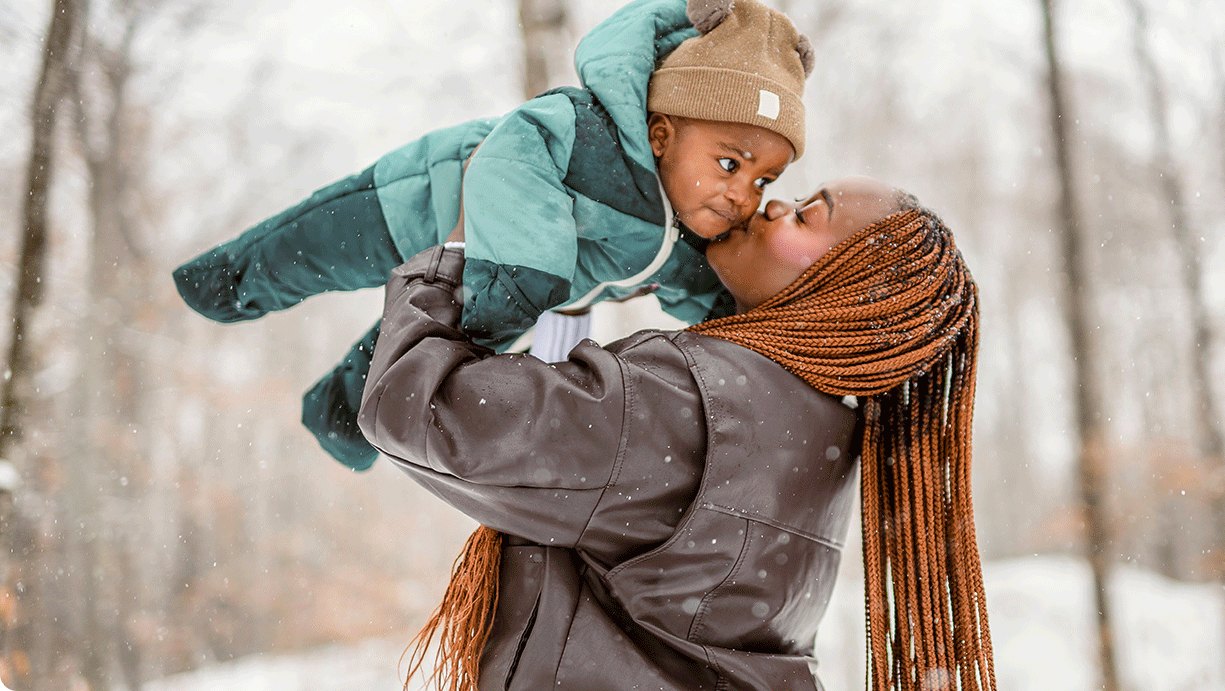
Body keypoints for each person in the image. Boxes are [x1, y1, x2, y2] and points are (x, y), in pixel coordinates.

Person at [359, 177, 998, 690]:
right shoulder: (822, 422)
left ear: (845, 291)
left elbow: (419, 406)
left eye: (807, 215)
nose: (775, 203)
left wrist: (462, 247)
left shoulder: (691, 399)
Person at [170, 0, 813, 472]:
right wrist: (528, 269)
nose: (742, 194)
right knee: (305, 252)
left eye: (763, 181)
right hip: (420, 205)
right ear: (660, 133)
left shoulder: (683, 238)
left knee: (409, 353)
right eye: (730, 163)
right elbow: (514, 148)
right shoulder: (592, 135)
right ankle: (220, 284)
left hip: (500, 296)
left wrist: (745, 331)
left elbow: (703, 301)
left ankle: (338, 419)